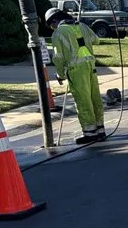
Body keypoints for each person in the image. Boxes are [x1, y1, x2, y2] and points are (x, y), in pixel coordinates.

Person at [45, 8, 105, 144]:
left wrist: (60, 75)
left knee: (83, 101)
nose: (52, 28)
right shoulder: (81, 26)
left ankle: (90, 133)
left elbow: (58, 57)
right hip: (91, 66)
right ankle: (100, 129)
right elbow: (96, 40)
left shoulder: (59, 33)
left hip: (75, 70)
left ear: (54, 21)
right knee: (95, 98)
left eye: (51, 25)